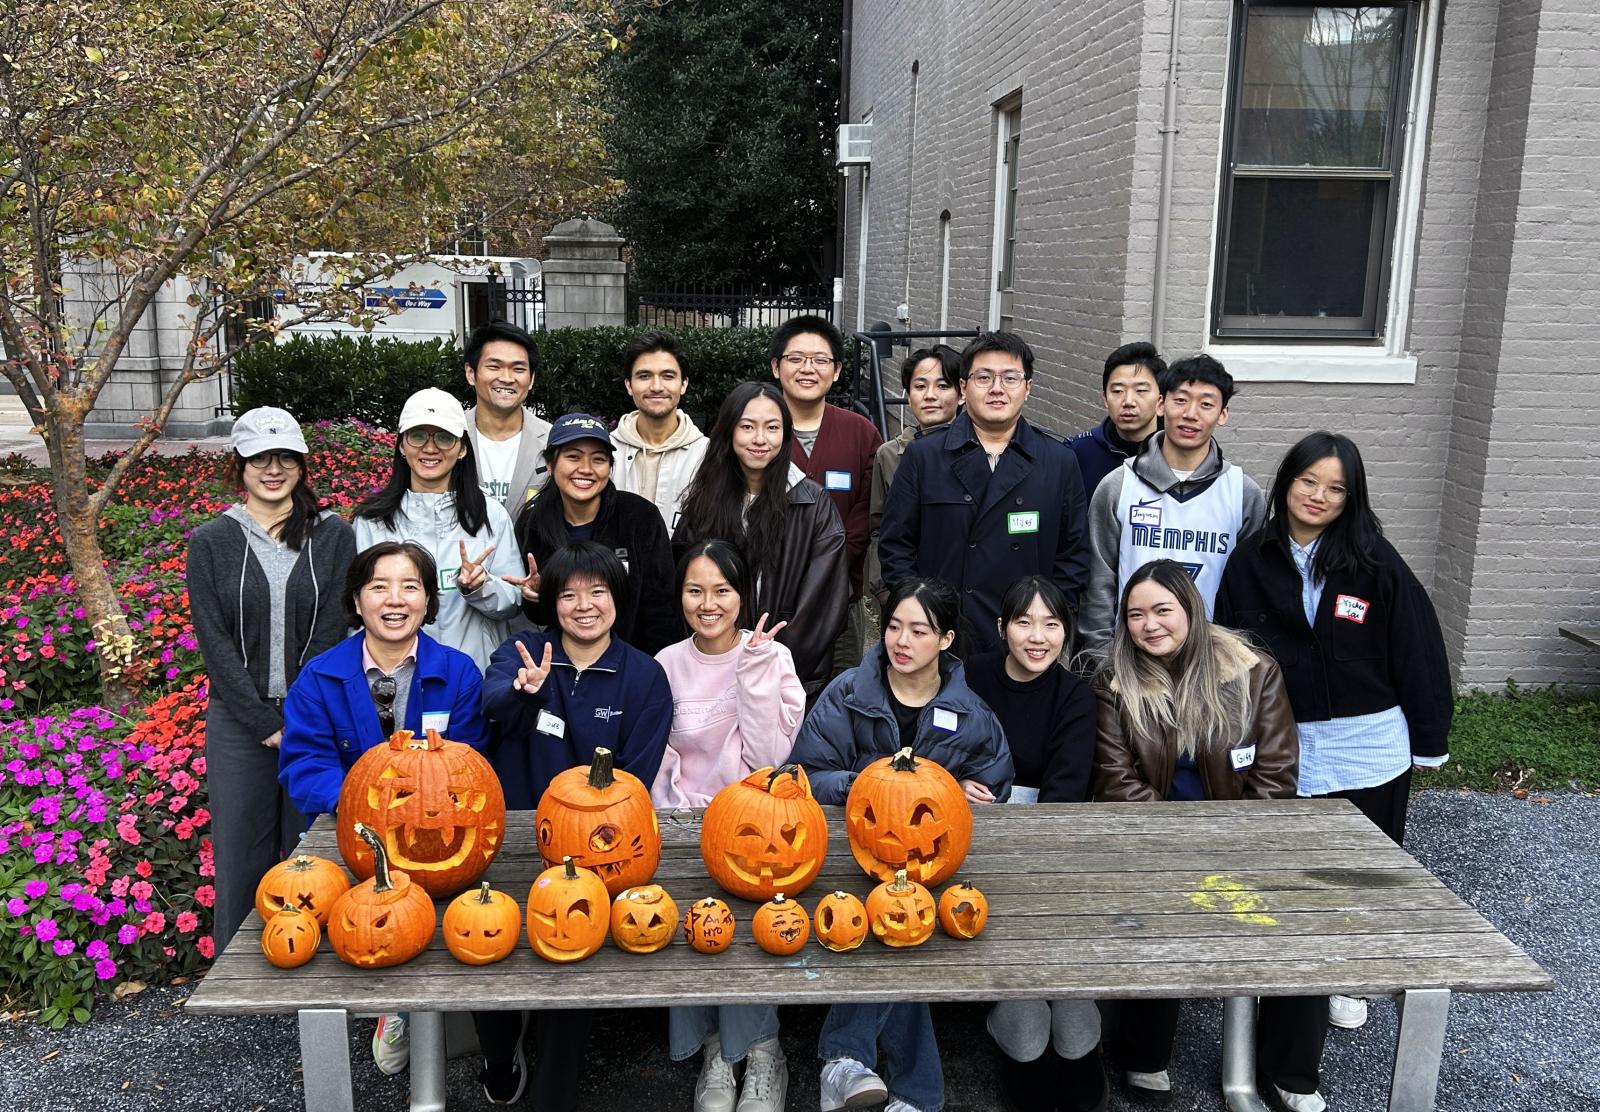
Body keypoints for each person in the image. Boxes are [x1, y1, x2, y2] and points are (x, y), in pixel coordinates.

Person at [1216, 432, 1454, 1032]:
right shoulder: (1251, 558)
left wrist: (1429, 737)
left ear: (1352, 497)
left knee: (1361, 869)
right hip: (1284, 738)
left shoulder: (1375, 561)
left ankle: (1351, 973)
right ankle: (1287, 976)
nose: (1318, 496)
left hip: (1366, 744)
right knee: (1290, 867)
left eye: (1335, 488)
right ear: (1286, 483)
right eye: (1307, 481)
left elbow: (1417, 648)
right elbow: (1228, 647)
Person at [1092, 560, 1321, 1111]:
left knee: (1305, 929)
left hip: (1244, 838)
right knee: (1154, 908)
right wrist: (1181, 851)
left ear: (1191, 609)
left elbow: (1275, 775)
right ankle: (1144, 1055)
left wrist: (1225, 846)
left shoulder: (1252, 671)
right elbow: (1118, 784)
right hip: (1154, 843)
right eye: (1136, 615)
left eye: (1162, 610)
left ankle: (1289, 1069)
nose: (1150, 625)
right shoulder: (1115, 683)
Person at [789, 578, 1013, 1112]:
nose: (902, 641)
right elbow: (805, 771)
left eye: (919, 630)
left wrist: (956, 796)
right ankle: (913, 1093)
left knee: (906, 914)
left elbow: (994, 783)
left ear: (947, 638)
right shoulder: (848, 693)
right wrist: (865, 786)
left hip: (932, 864)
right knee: (893, 917)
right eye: (893, 627)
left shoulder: (971, 712)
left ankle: (844, 1061)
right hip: (853, 853)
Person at [276, 540, 487, 1079]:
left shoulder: (458, 673)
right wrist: (362, 803)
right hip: (357, 843)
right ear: (357, 600)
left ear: (428, 601)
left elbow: (472, 765)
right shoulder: (320, 677)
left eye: (410, 586)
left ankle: (449, 1013)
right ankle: (394, 1012)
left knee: (462, 916)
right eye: (379, 587)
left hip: (440, 837)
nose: (395, 600)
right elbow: (304, 763)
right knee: (372, 926)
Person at [474, 541, 673, 1107]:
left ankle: (554, 1085)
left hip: (598, 851)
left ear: (617, 599)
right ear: (551, 603)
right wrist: (522, 691)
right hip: (514, 838)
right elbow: (492, 708)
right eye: (568, 594)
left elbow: (634, 781)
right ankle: (498, 1050)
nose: (584, 606)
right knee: (486, 940)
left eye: (597, 592)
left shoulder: (643, 677)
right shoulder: (524, 653)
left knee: (573, 943)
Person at [186, 407, 355, 952]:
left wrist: (298, 720)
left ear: (302, 465)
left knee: (312, 851)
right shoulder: (211, 541)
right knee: (241, 852)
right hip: (238, 721)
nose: (273, 469)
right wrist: (262, 721)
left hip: (314, 717)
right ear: (241, 465)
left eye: (285, 457)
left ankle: (313, 963)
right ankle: (238, 976)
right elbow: (213, 643)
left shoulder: (332, 536)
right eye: (261, 457)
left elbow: (333, 627)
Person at [652, 540, 806, 1112]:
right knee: (692, 920)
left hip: (752, 822)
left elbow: (772, 755)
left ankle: (763, 1051)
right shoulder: (666, 662)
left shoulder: (773, 655)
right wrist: (677, 812)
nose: (708, 603)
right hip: (682, 816)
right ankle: (718, 1050)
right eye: (695, 590)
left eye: (722, 590)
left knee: (750, 922)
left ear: (743, 595)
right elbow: (661, 754)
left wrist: (757, 670)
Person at [964, 575, 1105, 1109]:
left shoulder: (1074, 694)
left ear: (1066, 631)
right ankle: (1016, 1029)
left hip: (1048, 837)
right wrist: (952, 784)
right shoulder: (971, 676)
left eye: (1051, 623)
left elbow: (1064, 791)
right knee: (1021, 1004)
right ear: (1002, 628)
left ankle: (1076, 1033)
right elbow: (941, 746)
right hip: (969, 832)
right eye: (1024, 622)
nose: (1037, 636)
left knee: (1064, 976)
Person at [878, 331, 1090, 657]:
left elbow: (1073, 557)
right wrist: (921, 615)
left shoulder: (1058, 462)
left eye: (1010, 378)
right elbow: (896, 547)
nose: (997, 389)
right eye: (984, 377)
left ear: (1028, 388)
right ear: (964, 387)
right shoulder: (926, 457)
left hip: (1024, 642)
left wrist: (1044, 623)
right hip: (941, 636)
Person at [1078, 354, 1267, 655]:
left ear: (1223, 414)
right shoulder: (1118, 485)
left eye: (1206, 404)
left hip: (1210, 662)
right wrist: (1102, 660)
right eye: (1181, 400)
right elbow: (1098, 585)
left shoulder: (1243, 494)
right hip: (1129, 661)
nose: (1191, 414)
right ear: (1162, 405)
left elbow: (1251, 593)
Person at [672, 381, 848, 697]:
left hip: (785, 679)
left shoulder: (813, 505)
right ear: (728, 431)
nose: (760, 439)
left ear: (786, 434)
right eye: (747, 426)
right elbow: (684, 589)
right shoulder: (702, 503)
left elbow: (823, 605)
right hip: (708, 679)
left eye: (772, 427)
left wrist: (767, 665)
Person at [353, 387, 522, 671]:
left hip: (473, 676)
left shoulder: (491, 515)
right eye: (418, 436)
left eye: (444, 438)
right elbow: (356, 606)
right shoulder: (371, 520)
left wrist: (481, 586)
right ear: (402, 446)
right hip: (393, 675)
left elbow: (514, 601)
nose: (430, 449)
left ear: (462, 448)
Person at [511, 412, 678, 655]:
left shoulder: (640, 517)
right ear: (550, 464)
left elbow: (662, 607)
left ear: (610, 466)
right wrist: (536, 596)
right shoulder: (533, 522)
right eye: (573, 457)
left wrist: (657, 669)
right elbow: (541, 615)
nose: (586, 469)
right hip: (566, 665)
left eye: (598, 459)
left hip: (634, 662)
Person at [770, 314, 883, 672]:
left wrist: (826, 572)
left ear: (835, 371)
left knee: (838, 698)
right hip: (766, 597)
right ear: (776, 367)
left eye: (820, 360)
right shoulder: (757, 430)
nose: (808, 369)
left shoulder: (860, 433)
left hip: (839, 601)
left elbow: (867, 515)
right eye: (796, 358)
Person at [866, 344, 962, 609]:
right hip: (905, 594)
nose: (930, 396)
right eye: (920, 387)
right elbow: (878, 526)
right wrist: (884, 589)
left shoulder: (979, 451)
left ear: (962, 393)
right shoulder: (889, 454)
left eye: (943, 386)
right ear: (908, 396)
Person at [610, 330, 710, 530]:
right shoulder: (606, 451)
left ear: (683, 384)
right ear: (629, 385)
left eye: (668, 376)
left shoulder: (707, 455)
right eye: (644, 376)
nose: (657, 386)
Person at [462, 319, 553, 515]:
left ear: (531, 379)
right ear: (471, 373)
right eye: (494, 367)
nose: (507, 378)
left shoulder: (552, 440)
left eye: (518, 369)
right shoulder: (449, 435)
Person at [1069, 341, 1165, 496]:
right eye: (1118, 391)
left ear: (1161, 399)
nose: (1128, 401)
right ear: (1105, 398)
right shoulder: (1078, 453)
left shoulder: (1176, 452)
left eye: (1141, 390)